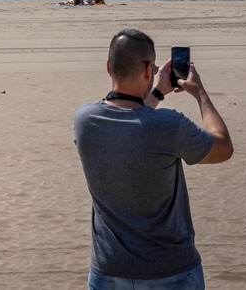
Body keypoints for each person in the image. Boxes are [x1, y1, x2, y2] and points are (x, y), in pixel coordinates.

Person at [74, 29, 232, 289]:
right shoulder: (169, 126)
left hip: (110, 270)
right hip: (171, 270)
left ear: (108, 68)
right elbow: (223, 147)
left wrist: (157, 92)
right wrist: (200, 93)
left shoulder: (85, 120)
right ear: (149, 70)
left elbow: (132, 122)